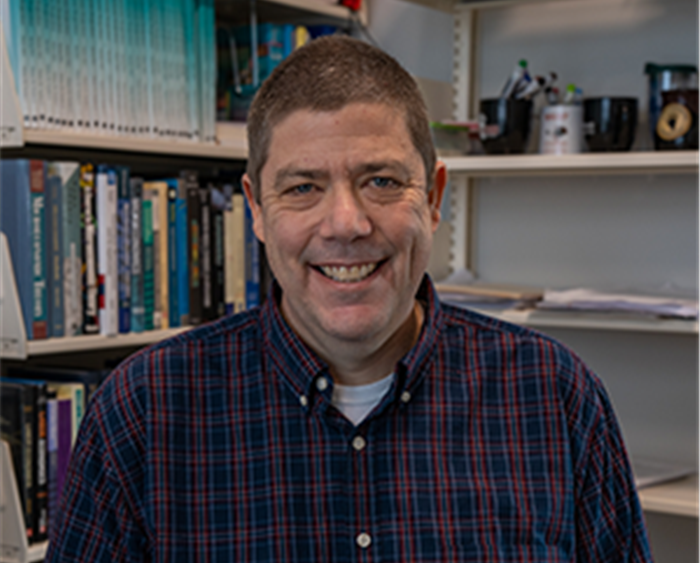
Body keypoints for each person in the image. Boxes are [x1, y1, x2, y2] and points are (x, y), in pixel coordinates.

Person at [46, 36, 653, 562]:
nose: (346, 224)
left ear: (434, 196)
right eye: (303, 187)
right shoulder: (143, 412)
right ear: (256, 209)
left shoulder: (555, 396)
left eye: (381, 182)